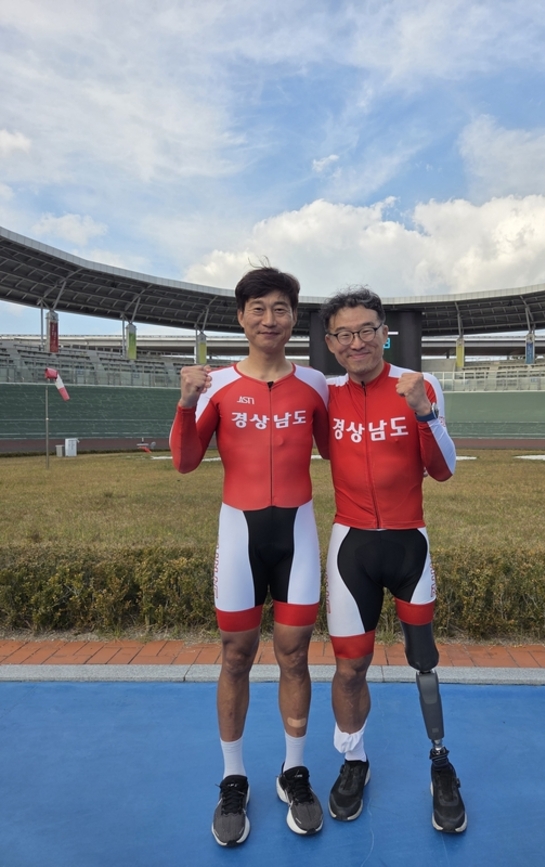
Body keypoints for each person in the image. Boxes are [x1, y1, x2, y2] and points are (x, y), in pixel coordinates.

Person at [170, 266, 329, 847]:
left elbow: (342, 449)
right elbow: (185, 461)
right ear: (241, 318)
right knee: (236, 656)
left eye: (280, 307)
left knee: (295, 655)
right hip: (238, 534)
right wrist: (186, 403)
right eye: (258, 308)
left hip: (298, 535)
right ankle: (233, 778)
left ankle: (294, 771)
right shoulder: (214, 384)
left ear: (293, 318)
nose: (269, 318)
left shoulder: (315, 384)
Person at [319, 286, 467, 834]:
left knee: (424, 662)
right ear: (331, 343)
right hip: (351, 546)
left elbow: (444, 469)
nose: (356, 342)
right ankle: (354, 760)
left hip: (409, 544)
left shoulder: (419, 384)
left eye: (366, 330)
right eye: (344, 334)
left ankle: (441, 763)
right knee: (349, 666)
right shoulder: (325, 393)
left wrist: (424, 413)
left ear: (385, 334)